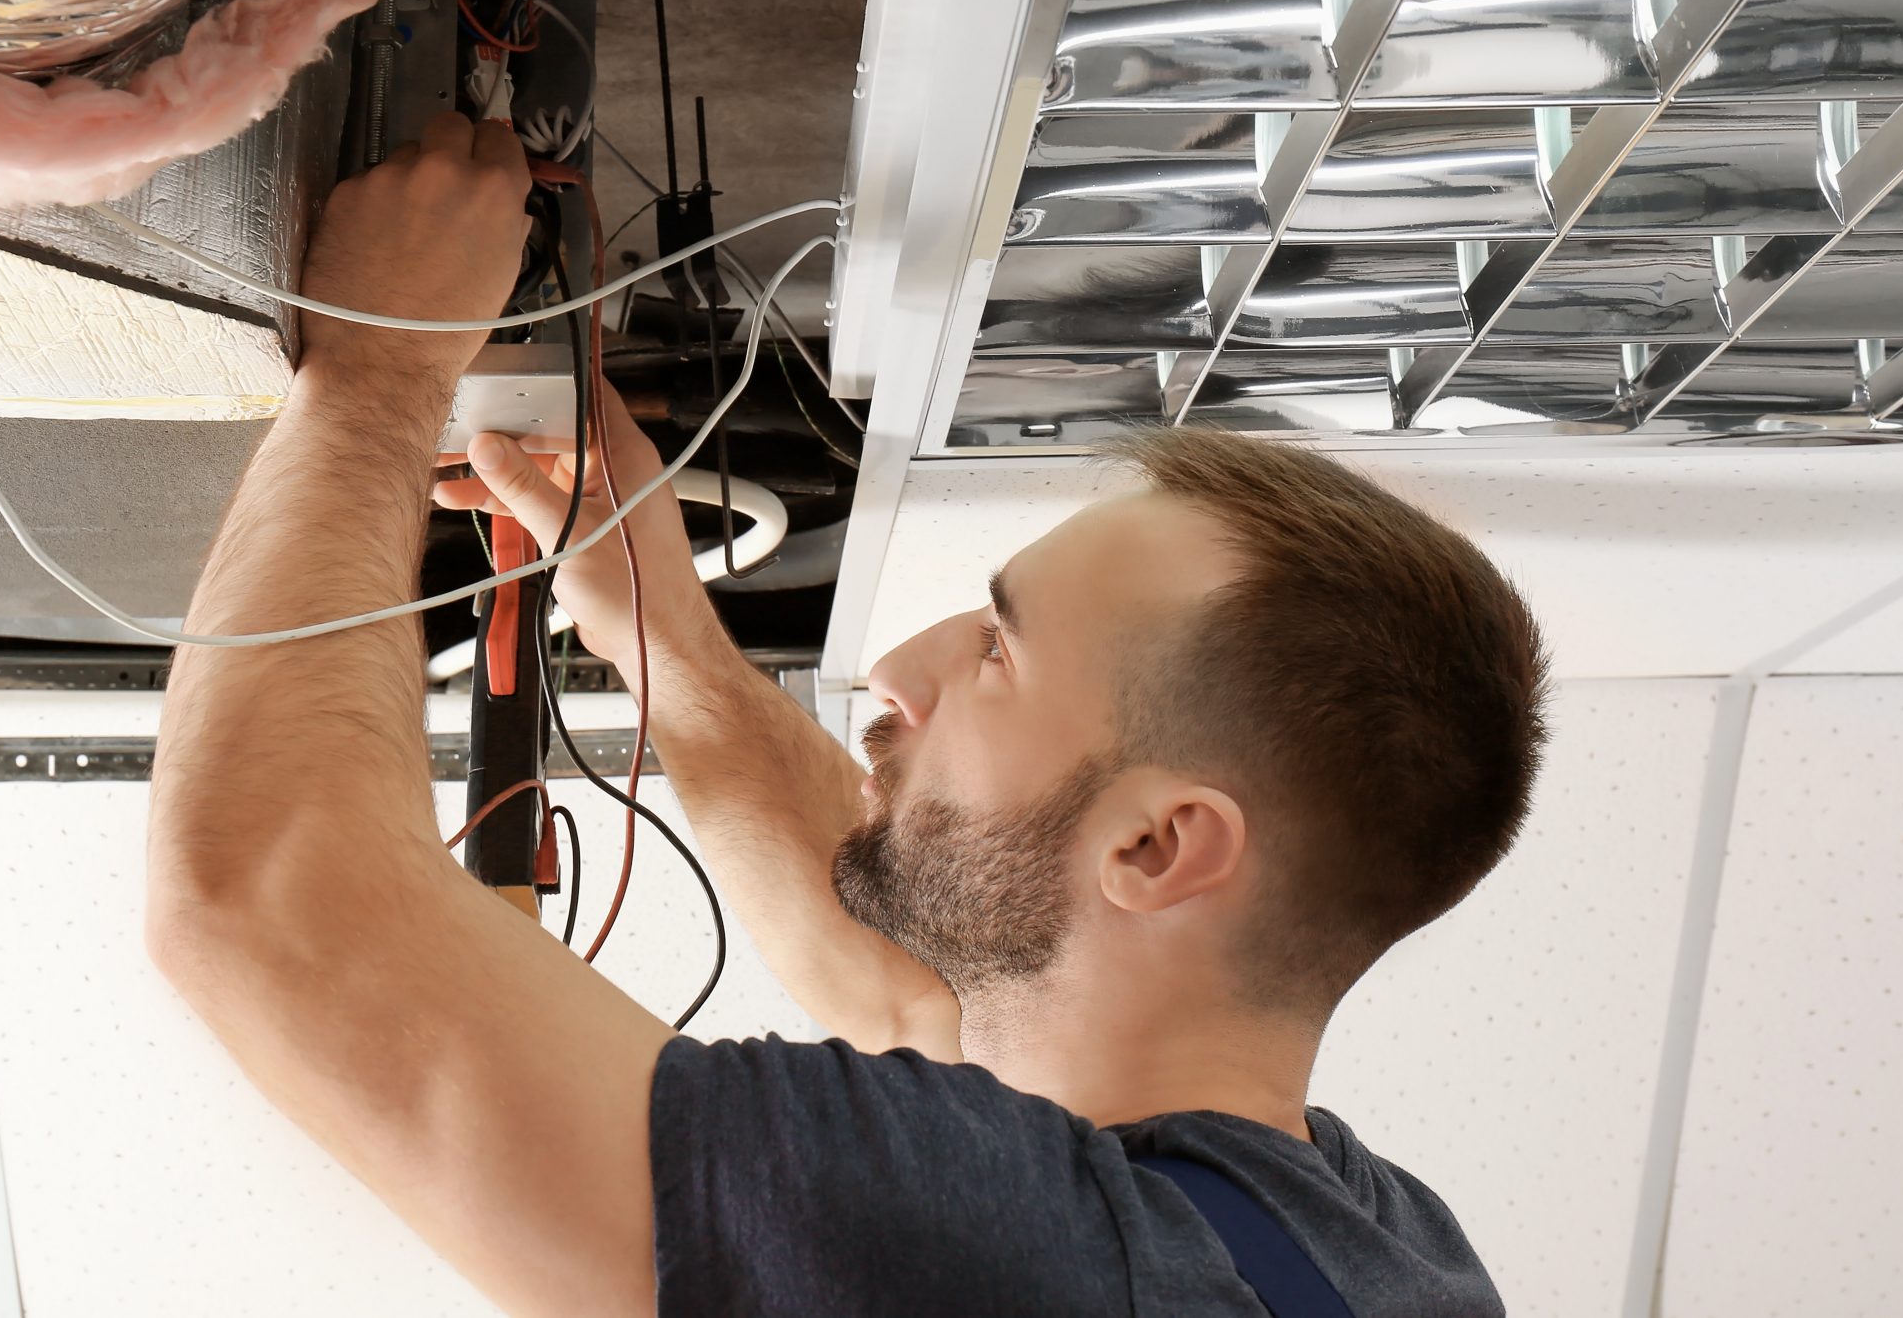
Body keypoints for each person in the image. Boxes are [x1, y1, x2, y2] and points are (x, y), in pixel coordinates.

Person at [145, 116, 1548, 1317]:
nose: (901, 670)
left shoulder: (1047, 1263)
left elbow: (267, 893)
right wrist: (656, 624)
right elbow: (920, 1001)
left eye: (1000, 655)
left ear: (1157, 849)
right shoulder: (1360, 1242)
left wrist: (380, 370)